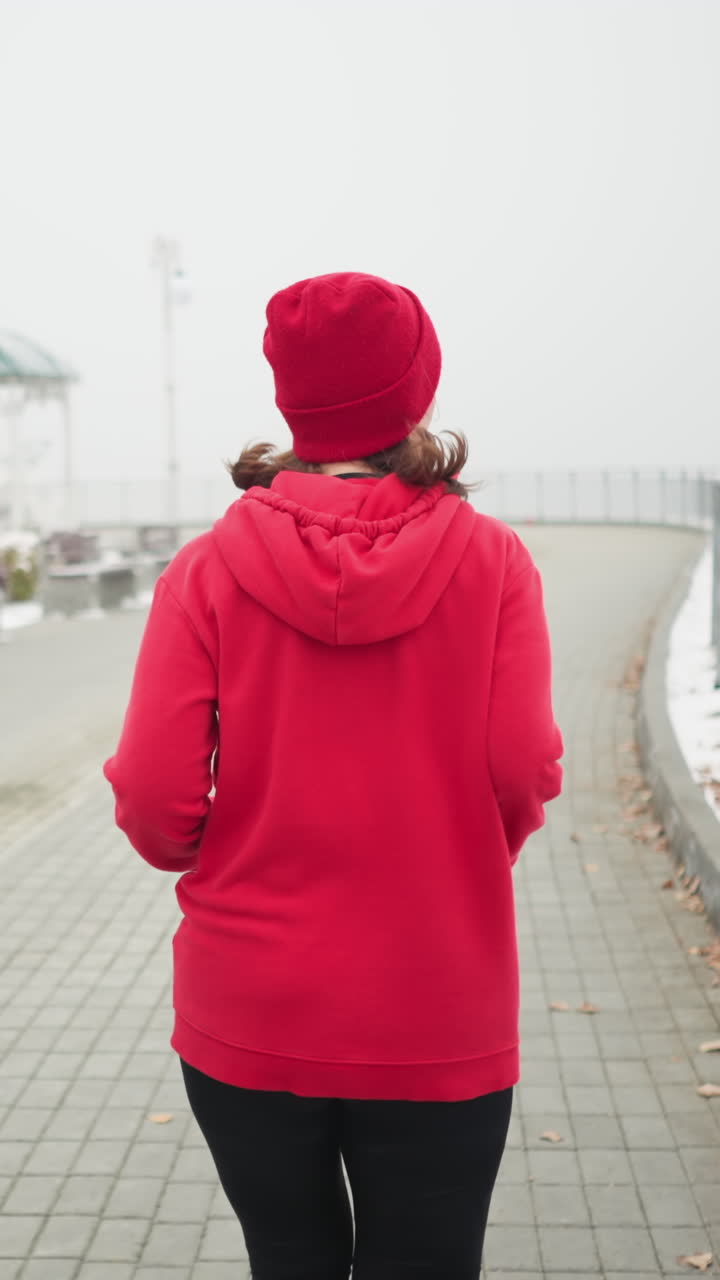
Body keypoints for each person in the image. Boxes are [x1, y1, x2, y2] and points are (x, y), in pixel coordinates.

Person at [104, 271, 563, 1280]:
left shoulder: (207, 569)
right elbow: (522, 767)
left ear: (291, 398)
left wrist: (218, 845)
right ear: (416, 391)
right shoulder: (496, 563)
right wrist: (456, 852)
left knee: (290, 1259)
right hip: (438, 999)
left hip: (249, 1003)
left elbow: (152, 798)